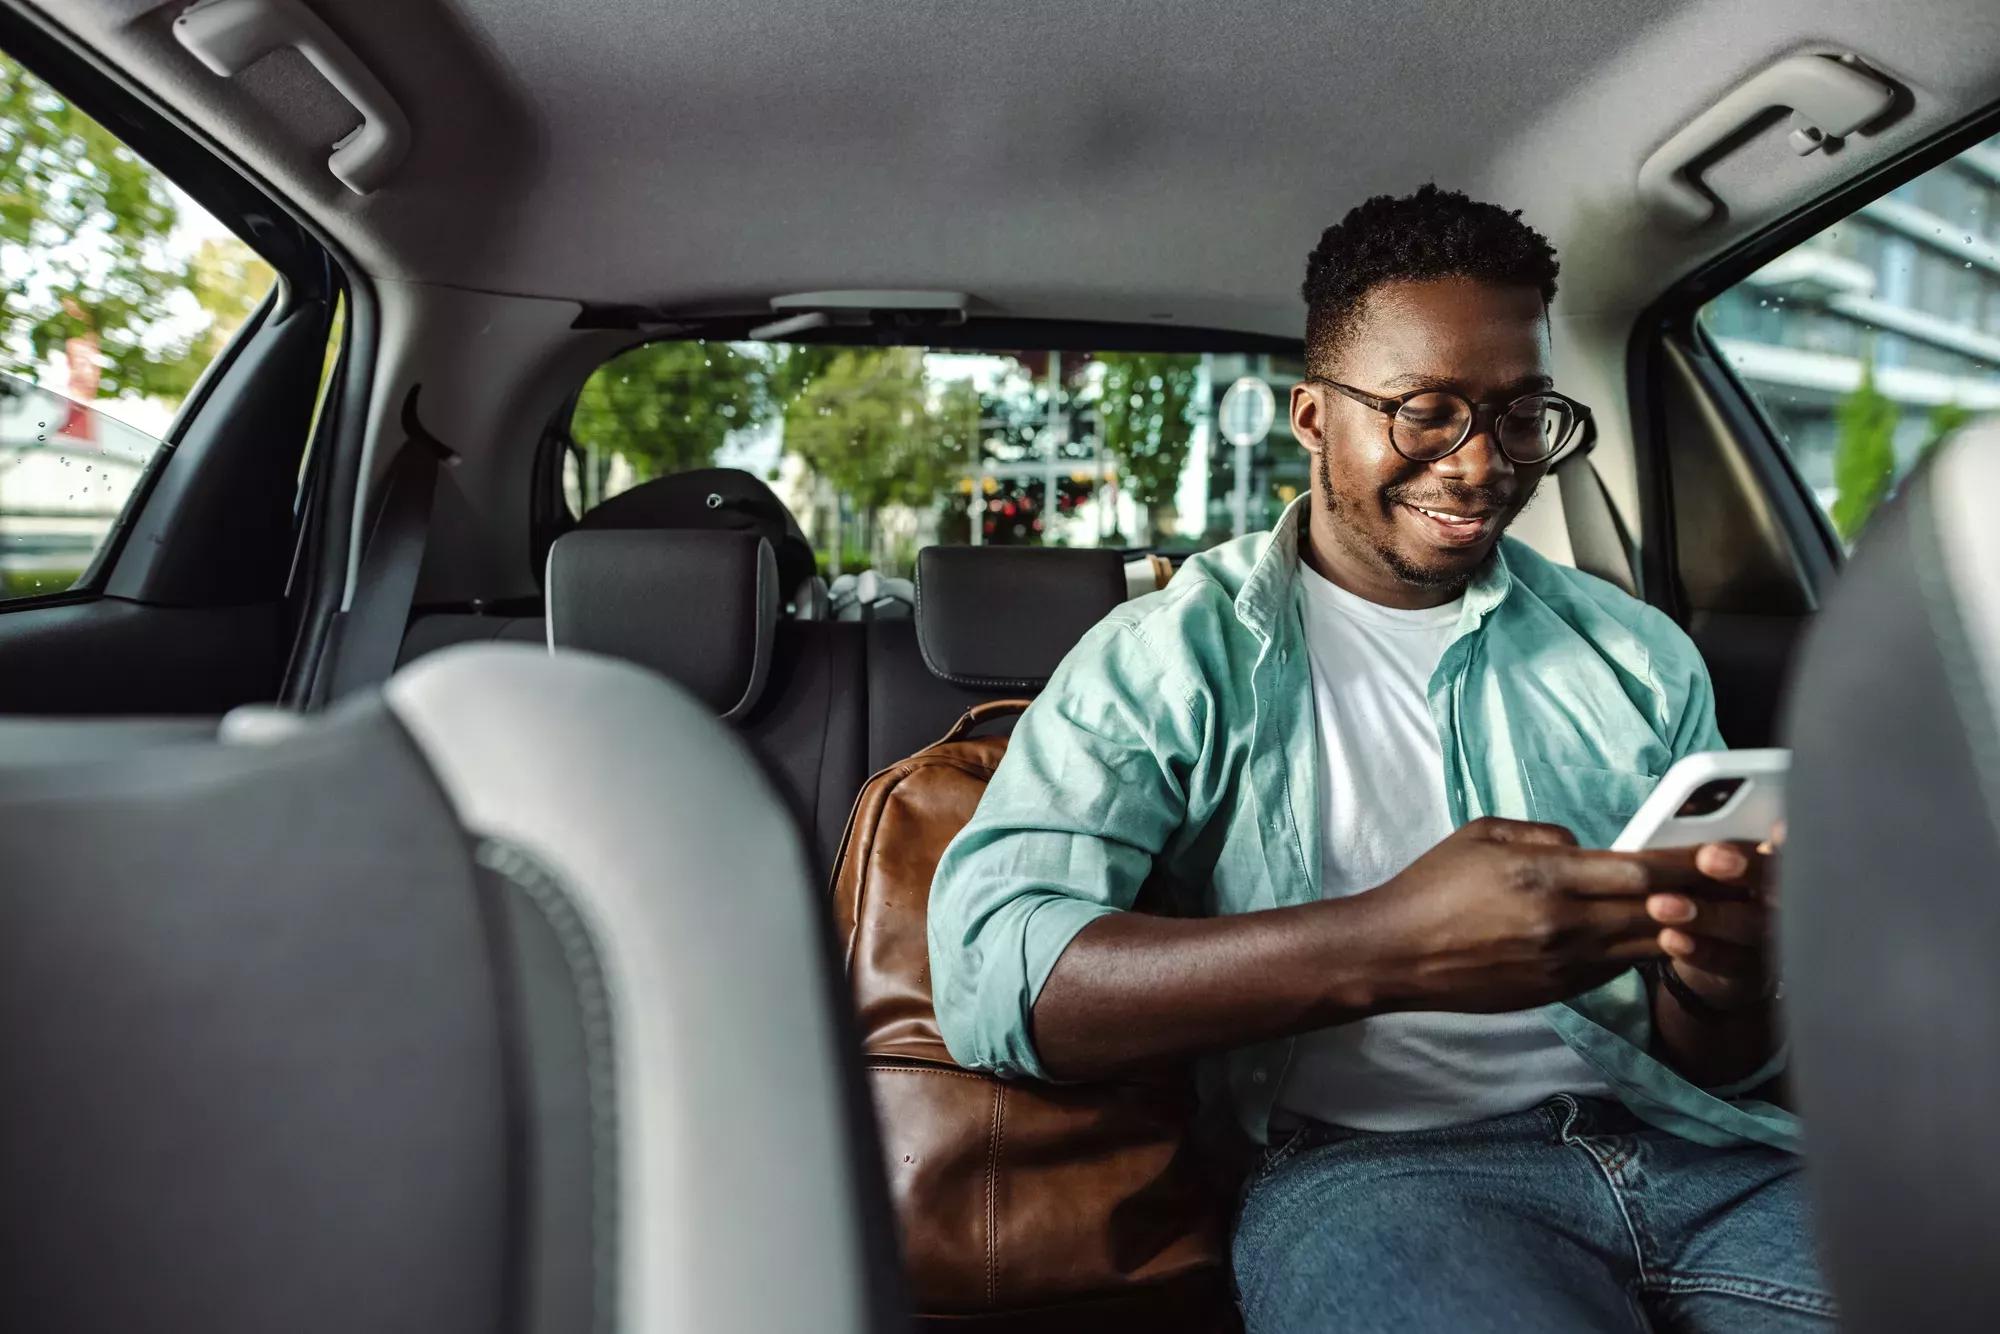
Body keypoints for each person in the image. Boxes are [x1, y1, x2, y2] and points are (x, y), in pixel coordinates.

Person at [927, 186, 1832, 1332]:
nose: (1477, 464)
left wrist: (1723, 975)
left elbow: (1719, 1061)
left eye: (1517, 416)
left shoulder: (1634, 653)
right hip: (1378, 1179)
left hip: (1703, 1156)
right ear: (1311, 417)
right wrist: (1388, 945)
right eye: (1423, 411)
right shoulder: (1167, 658)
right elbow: (993, 973)